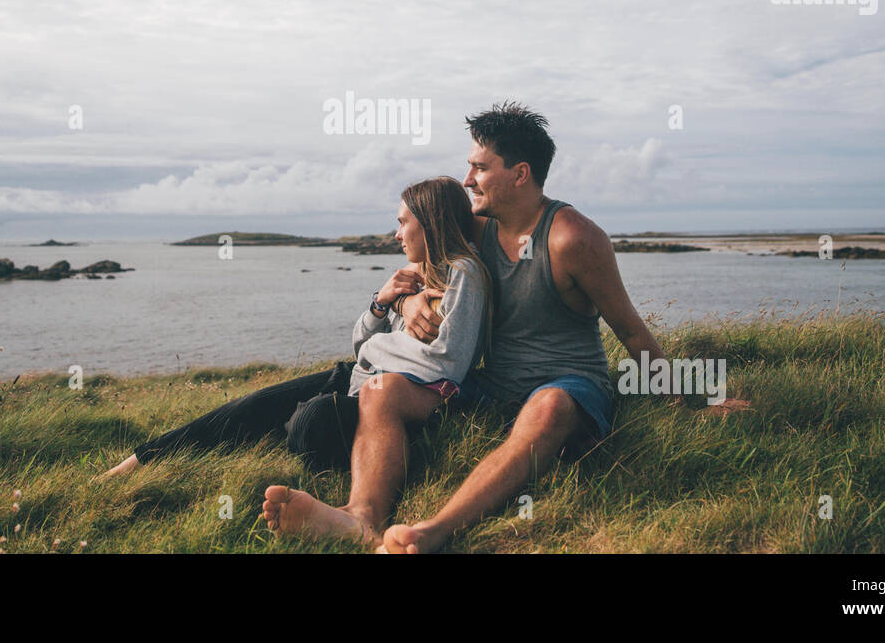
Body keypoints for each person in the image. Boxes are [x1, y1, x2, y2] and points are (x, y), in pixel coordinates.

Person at [266, 101, 751, 553]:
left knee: (549, 406)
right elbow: (425, 259)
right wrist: (410, 300)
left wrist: (688, 404)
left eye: (479, 167)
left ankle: (430, 533)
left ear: (520, 174)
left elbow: (630, 330)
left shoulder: (572, 238)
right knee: (380, 389)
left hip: (567, 384)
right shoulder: (477, 231)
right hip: (490, 387)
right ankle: (362, 517)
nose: (468, 179)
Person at [98, 176, 490, 481]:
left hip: (388, 400)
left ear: (431, 223)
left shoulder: (464, 273)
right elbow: (360, 345)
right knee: (250, 406)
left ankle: (278, 431)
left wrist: (377, 348)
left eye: (404, 223)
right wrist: (382, 302)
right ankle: (139, 460)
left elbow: (447, 361)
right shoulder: (412, 276)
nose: (396, 234)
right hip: (355, 377)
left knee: (311, 420)